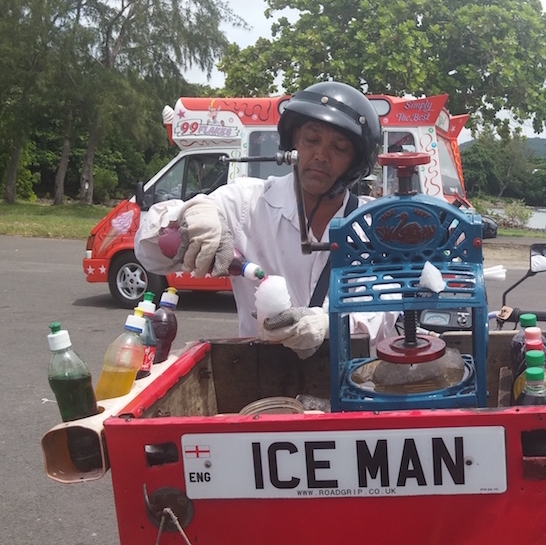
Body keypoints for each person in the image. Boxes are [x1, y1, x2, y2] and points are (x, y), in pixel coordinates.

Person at [135, 81, 398, 356]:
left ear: (355, 163)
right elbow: (149, 254)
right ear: (294, 141)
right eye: (312, 140)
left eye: (339, 148)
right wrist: (192, 215)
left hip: (344, 380)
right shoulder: (248, 204)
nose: (321, 155)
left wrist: (328, 324)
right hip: (260, 379)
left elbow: (385, 307)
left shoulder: (370, 226)